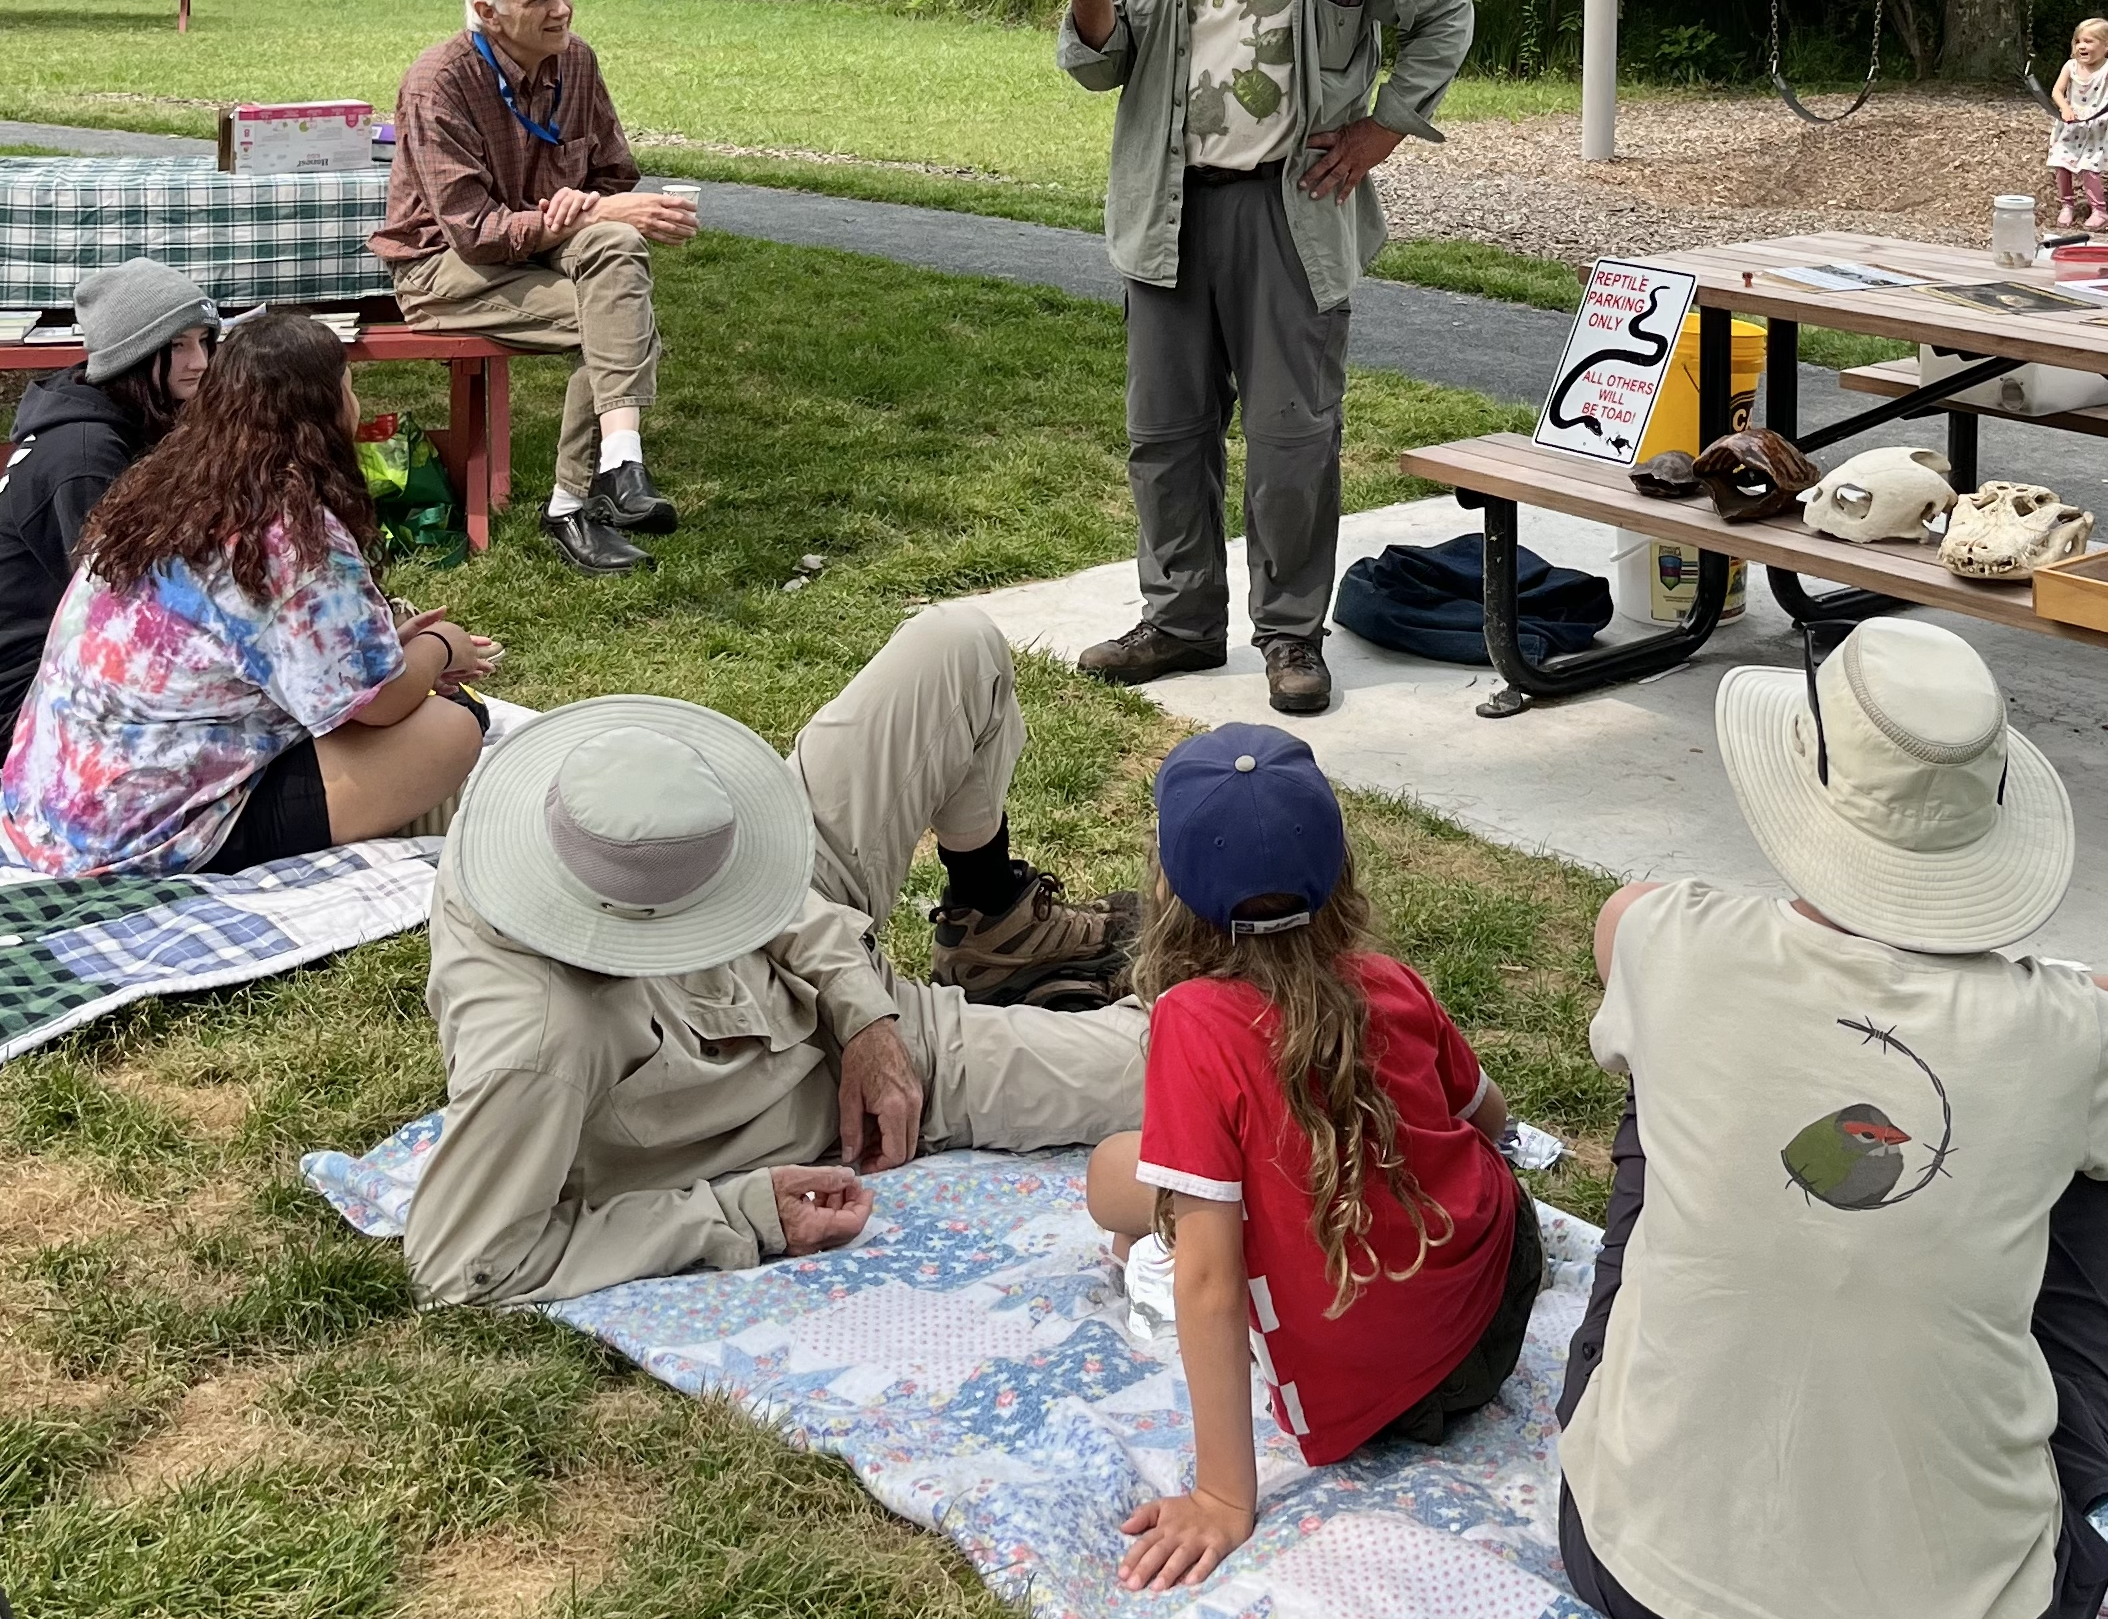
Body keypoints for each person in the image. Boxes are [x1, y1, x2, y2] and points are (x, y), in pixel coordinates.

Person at [1556, 620, 2108, 1619]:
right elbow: (2091, 1029)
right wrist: (2069, 1001)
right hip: (1975, 1598)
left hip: (1636, 1561)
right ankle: (2087, 1487)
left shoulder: (1671, 938)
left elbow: (1620, 920)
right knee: (2102, 1154)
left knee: (1665, 1068)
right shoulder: (2075, 1035)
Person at [402, 603, 1147, 1307]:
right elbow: (463, 1262)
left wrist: (864, 1014)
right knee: (1181, 1072)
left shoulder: (542, 826)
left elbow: (768, 893)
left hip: (839, 980)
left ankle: (995, 928)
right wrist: (740, 1214)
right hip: (837, 1080)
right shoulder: (540, 1047)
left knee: (955, 646)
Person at [1059, 0, 1473, 716]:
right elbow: (1097, 67)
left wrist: (1381, 128)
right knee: (1165, 433)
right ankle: (1179, 622)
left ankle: (1290, 634)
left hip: (1293, 204)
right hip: (1167, 206)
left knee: (1293, 436)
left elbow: (1443, 9)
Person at [1083, 723, 1538, 1594]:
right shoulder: (1390, 979)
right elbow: (1488, 1117)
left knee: (1114, 1175)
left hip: (1374, 1391)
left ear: (1169, 892)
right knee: (1173, 1178)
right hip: (1496, 1300)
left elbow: (1209, 1281)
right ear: (1338, 870)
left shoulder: (1192, 1022)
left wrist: (1223, 1495)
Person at [0, 310, 498, 875]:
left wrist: (380, 652)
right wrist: (441, 647)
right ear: (325, 410)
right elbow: (378, 706)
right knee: (450, 728)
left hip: (48, 808)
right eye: (349, 388)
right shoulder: (291, 534)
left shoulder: (161, 488)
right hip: (134, 834)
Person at [374, 0, 699, 575]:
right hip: (443, 267)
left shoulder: (576, 62)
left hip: (544, 246)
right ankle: (574, 505)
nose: (562, 10)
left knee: (615, 245)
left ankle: (619, 465)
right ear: (488, 13)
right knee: (618, 325)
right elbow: (476, 233)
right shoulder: (439, 83)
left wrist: (588, 206)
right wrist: (588, 211)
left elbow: (612, 174)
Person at [0, 258, 218, 756]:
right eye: (178, 345)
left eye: (204, 340)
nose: (201, 362)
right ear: (132, 354)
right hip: (24, 701)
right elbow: (129, 606)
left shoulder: (119, 417)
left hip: (67, 664)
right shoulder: (86, 458)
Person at [2050, 15, 2108, 232]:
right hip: (2071, 124)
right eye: (2078, 41)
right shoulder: (2071, 66)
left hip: (2096, 126)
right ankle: (2067, 205)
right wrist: (2064, 108)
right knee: (2061, 164)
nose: (2081, 46)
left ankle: (2099, 211)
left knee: (2089, 169)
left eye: (2089, 41)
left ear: (2107, 46)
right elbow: (2057, 91)